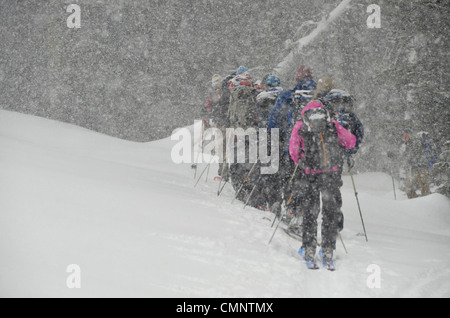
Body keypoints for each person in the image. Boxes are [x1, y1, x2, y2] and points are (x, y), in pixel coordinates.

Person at [289, 101, 356, 269]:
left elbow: (293, 151)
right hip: (330, 175)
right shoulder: (331, 124)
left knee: (310, 213)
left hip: (310, 175)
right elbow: (351, 142)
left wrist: (302, 164)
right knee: (329, 213)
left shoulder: (301, 125)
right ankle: (327, 249)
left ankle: (309, 248)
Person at [399, 129, 435, 198]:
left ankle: (427, 203)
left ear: (410, 135)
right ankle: (414, 203)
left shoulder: (415, 141)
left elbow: (414, 154)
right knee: (409, 188)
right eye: (403, 136)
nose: (404, 137)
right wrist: (394, 155)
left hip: (422, 167)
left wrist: (408, 157)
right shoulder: (407, 145)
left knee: (424, 187)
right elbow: (405, 157)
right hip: (415, 169)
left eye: (406, 135)